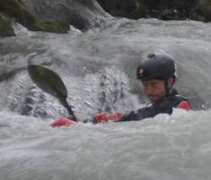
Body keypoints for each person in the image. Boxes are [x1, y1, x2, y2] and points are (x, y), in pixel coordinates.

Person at [52, 53, 193, 126]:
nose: (149, 91)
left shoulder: (176, 105)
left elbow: (131, 118)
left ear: (170, 82)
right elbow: (127, 116)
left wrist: (85, 124)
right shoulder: (158, 106)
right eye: (145, 85)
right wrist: (90, 120)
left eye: (153, 84)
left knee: (62, 123)